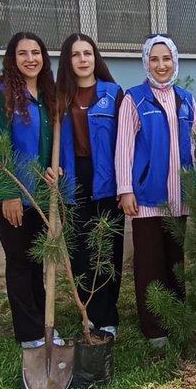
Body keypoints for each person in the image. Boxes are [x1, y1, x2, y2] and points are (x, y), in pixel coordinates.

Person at [115, 35, 196, 348]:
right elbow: (123, 147)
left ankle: (177, 319)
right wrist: (125, 189)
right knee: (150, 265)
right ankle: (155, 331)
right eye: (155, 59)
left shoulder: (186, 99)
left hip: (181, 199)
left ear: (175, 61)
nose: (161, 65)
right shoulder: (134, 99)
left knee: (175, 262)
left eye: (167, 59)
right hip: (148, 200)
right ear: (146, 62)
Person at [0, 32, 57, 348]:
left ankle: (43, 322)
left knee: (37, 262)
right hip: (12, 195)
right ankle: (29, 335)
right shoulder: (1, 95)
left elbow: (53, 143)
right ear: (12, 58)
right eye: (23, 53)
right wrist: (8, 194)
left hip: (41, 196)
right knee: (19, 262)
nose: (30, 59)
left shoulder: (47, 94)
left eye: (36, 52)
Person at [57, 33, 124, 336]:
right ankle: (91, 311)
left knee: (108, 249)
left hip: (108, 179)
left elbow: (125, 142)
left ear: (95, 57)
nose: (83, 59)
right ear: (67, 61)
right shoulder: (59, 97)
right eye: (75, 54)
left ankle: (109, 314)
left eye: (88, 53)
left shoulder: (113, 93)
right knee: (81, 250)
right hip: (73, 180)